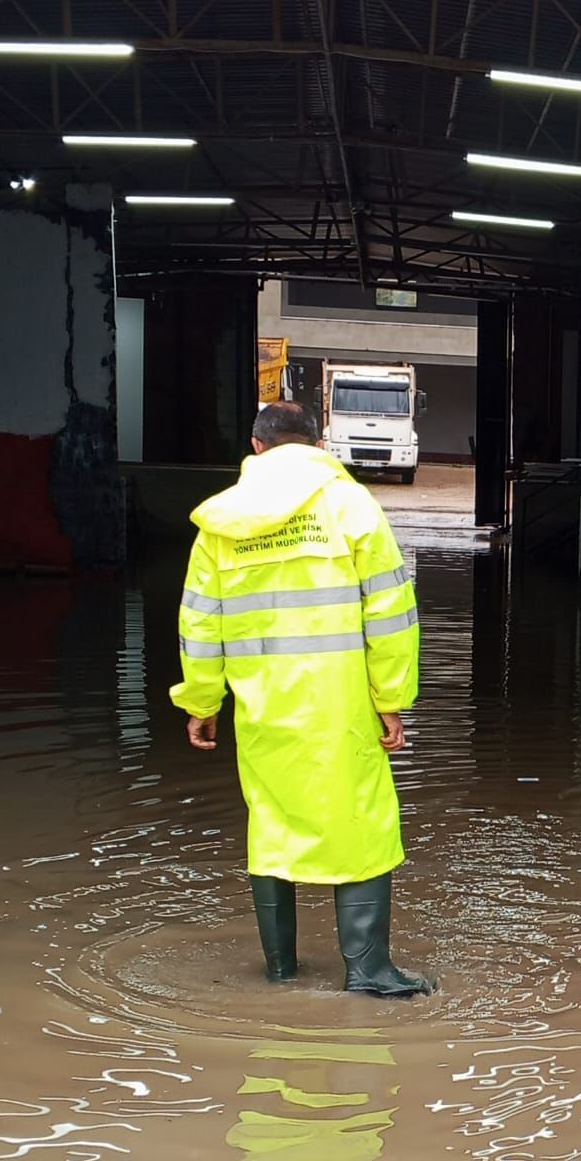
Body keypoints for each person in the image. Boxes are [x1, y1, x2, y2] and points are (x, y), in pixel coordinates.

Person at [172, 400, 431, 997]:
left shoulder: (219, 523)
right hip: (340, 704)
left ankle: (281, 973)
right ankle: (368, 972)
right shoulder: (350, 506)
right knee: (360, 823)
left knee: (272, 823)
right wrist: (391, 696)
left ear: (257, 448)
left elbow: (200, 622)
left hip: (263, 707)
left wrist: (203, 702)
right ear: (319, 446)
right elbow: (391, 612)